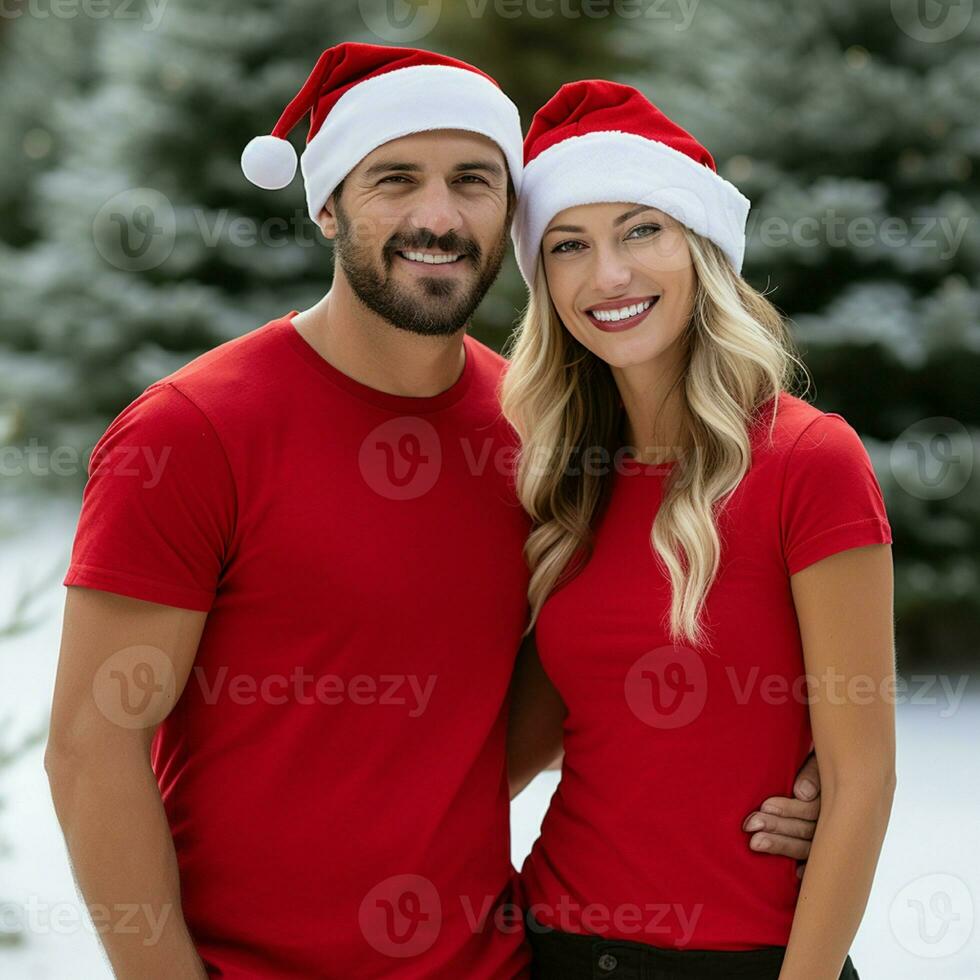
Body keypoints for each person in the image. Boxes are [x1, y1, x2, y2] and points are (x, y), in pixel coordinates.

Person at [46, 43, 824, 978]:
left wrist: (806, 770)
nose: (438, 216)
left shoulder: (540, 433)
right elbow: (94, 752)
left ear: (512, 213)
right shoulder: (191, 432)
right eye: (395, 179)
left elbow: (607, 658)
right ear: (328, 202)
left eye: (473, 181)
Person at [501, 80, 896, 980]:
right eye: (569, 245)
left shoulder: (809, 461)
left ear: (702, 246)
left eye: (642, 229)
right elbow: (497, 758)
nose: (608, 275)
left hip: (750, 958)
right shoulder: (562, 479)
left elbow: (863, 781)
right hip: (552, 947)